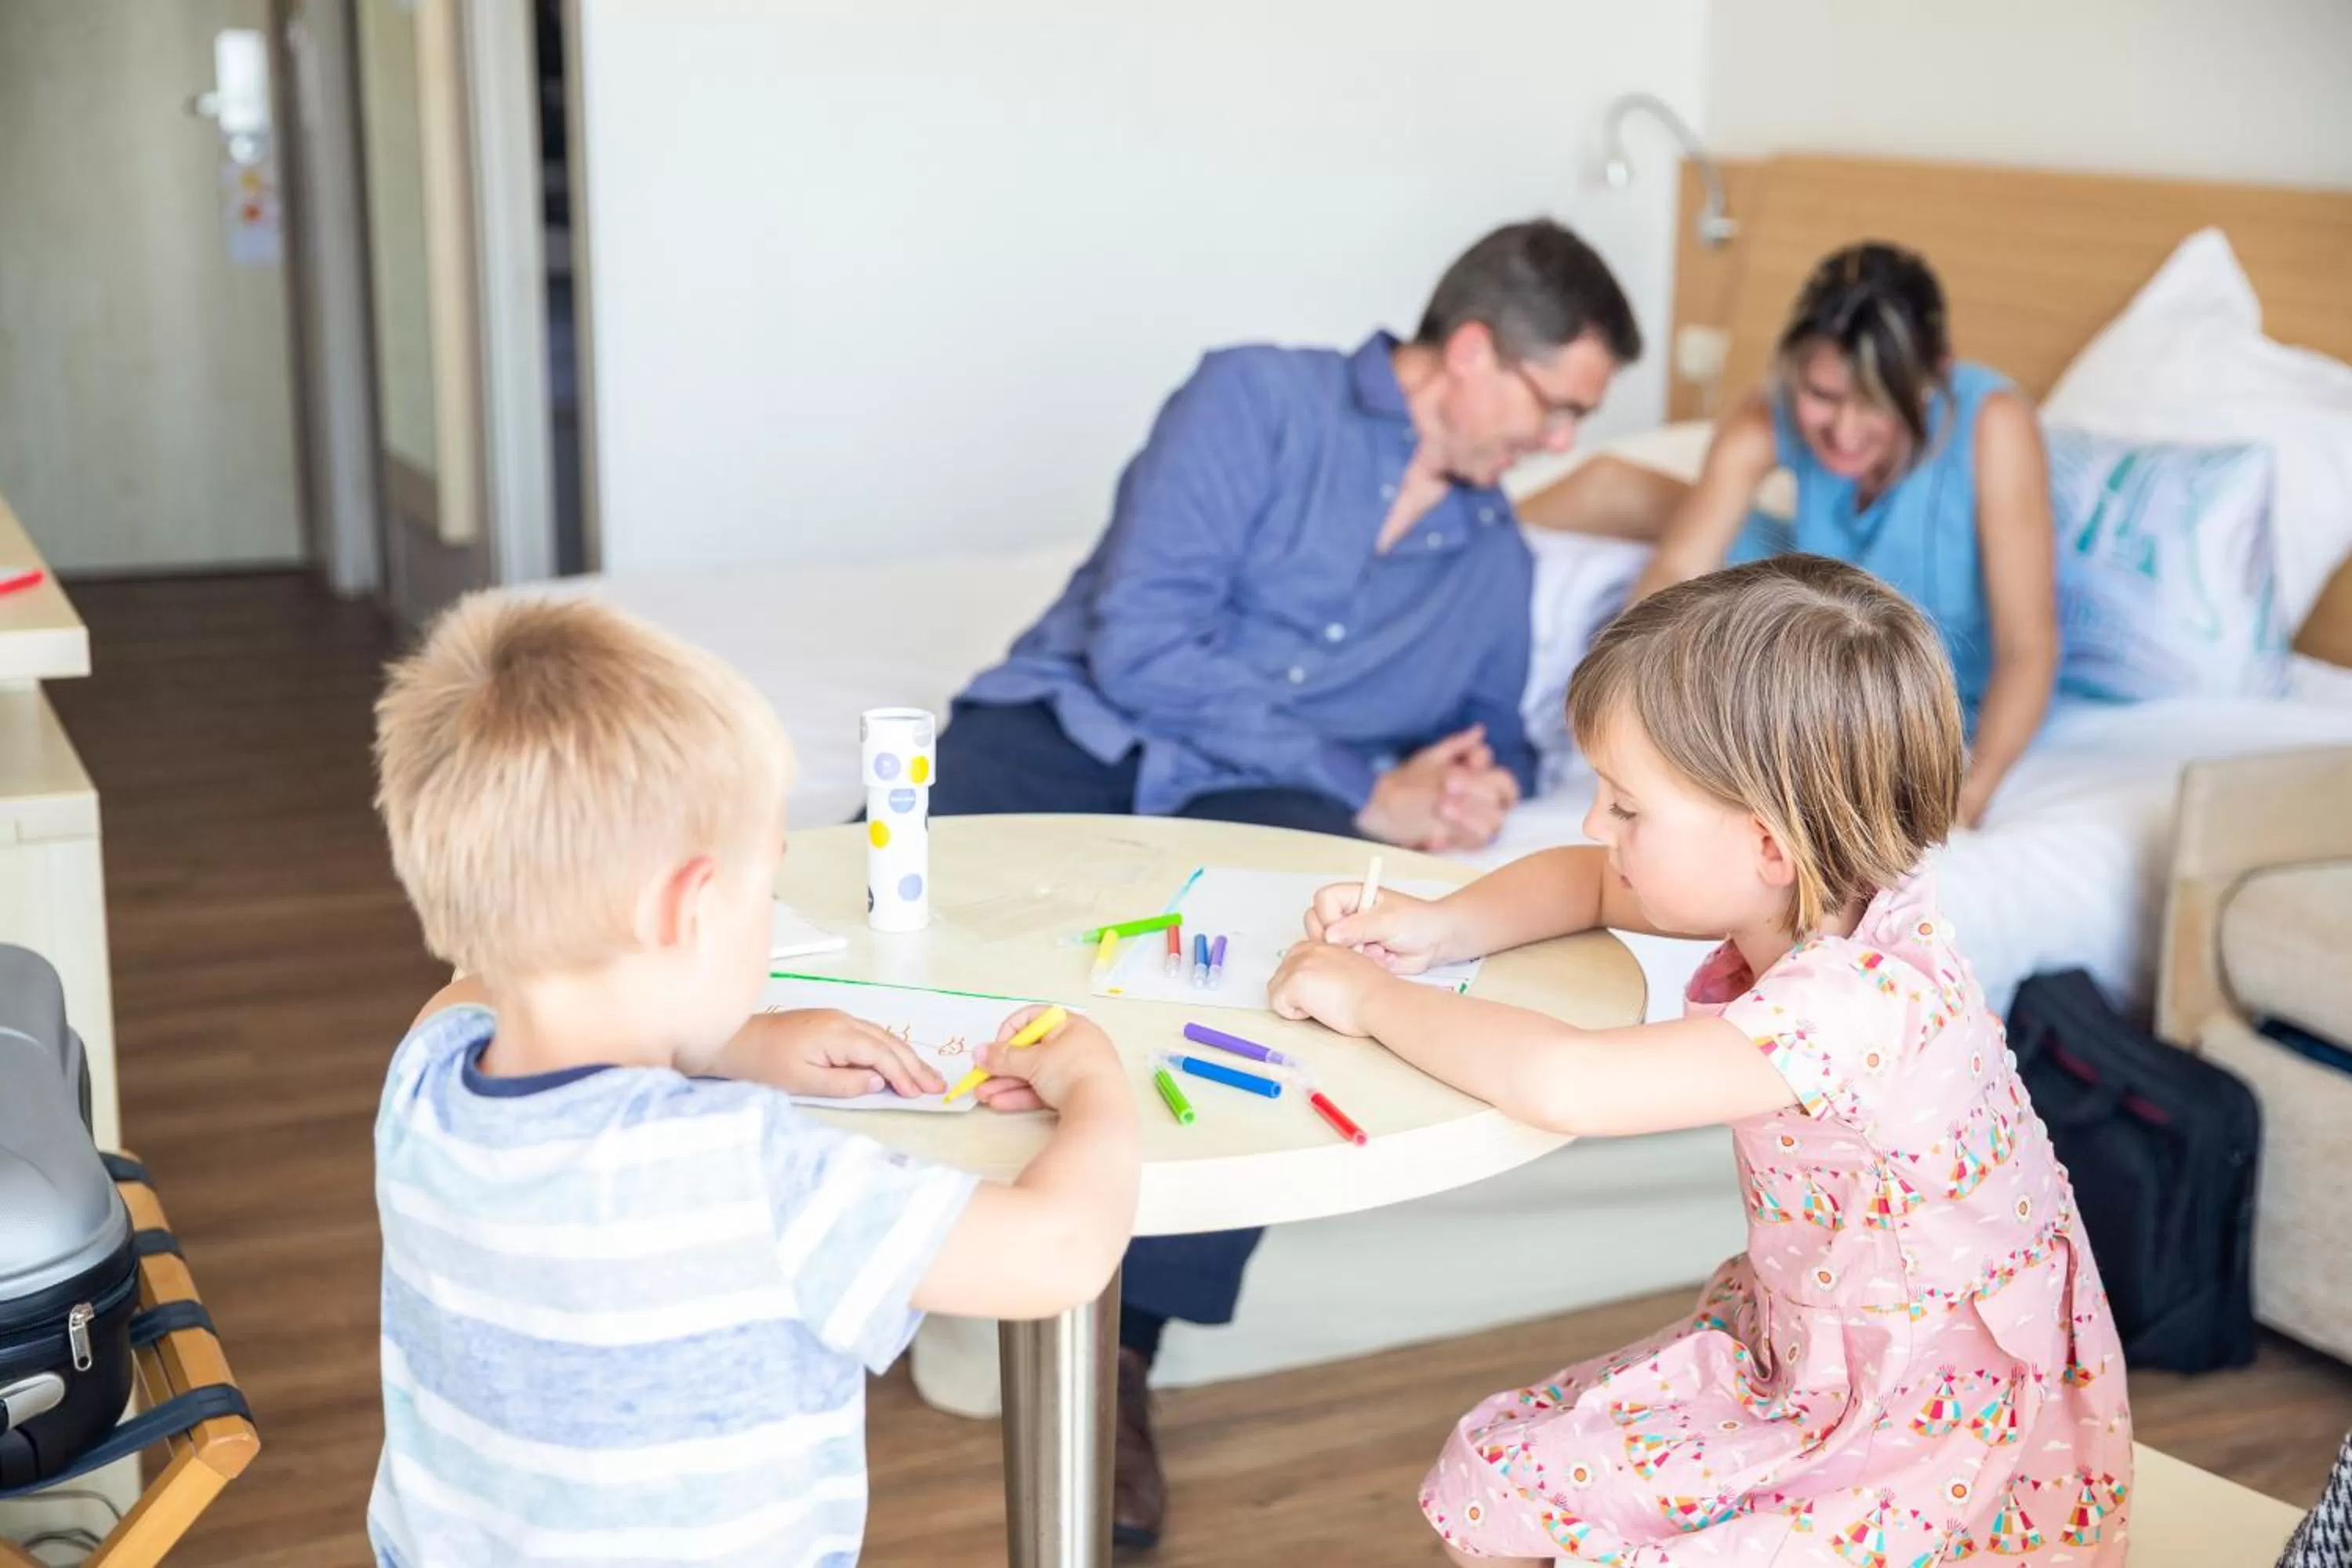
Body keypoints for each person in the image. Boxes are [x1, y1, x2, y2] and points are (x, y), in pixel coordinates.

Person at [928, 217, 1644, 1548]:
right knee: (904, 911)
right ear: (1476, 354)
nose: (1558, 447)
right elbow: (1139, 641)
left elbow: (1487, 723)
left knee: (1287, 980)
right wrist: (1365, 778)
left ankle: (1122, 1354)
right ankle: (864, 1237)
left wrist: (1466, 786)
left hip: (1252, 805)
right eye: (1559, 408)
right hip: (1071, 724)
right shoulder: (1256, 398)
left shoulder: (1492, 558)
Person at [1270, 555, 2131, 1565]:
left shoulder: (1856, 1004)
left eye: (1627, 807)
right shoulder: (1814, 887)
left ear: (1767, 842)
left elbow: (1567, 1081)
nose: (1600, 824)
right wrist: (1436, 926)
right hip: (1824, 1356)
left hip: (1922, 1434)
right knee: (1506, 1480)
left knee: (1519, 1500)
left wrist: (1372, 997)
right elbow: (1589, 882)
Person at [365, 593, 1139, 1566]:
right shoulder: (745, 1164)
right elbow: (1060, 1253)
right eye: (762, 887)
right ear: (687, 905)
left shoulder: (424, 1079)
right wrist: (1096, 1076)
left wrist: (729, 1038)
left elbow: (488, 981)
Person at [1631, 242, 2059, 826]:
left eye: (1876, 404)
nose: (1845, 431)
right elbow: (1675, 573)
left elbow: (2027, 647)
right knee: (1673, 528)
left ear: (1935, 376)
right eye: (1822, 397)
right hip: (1834, 662)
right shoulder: (1766, 413)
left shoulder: (1994, 425)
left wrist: (1968, 797)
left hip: (1941, 695)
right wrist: (1624, 720)